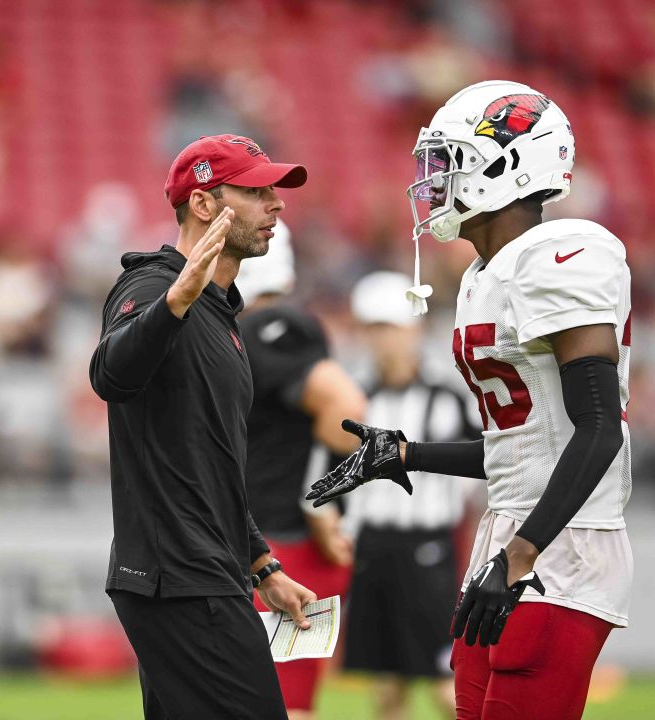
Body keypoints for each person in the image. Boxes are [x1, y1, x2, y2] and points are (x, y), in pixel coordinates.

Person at [308, 80, 633, 720]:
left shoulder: (560, 258)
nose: (435, 180)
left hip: (558, 544)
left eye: (448, 161)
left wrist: (523, 553)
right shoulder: (487, 274)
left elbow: (598, 430)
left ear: (506, 165)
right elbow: (522, 447)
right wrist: (406, 453)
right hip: (511, 531)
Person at [89, 134, 317, 719]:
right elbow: (110, 374)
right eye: (257, 191)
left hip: (201, 574)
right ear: (205, 204)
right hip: (181, 580)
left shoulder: (220, 312)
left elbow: (211, 464)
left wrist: (262, 564)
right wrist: (175, 298)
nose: (277, 205)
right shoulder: (152, 285)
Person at [237, 222, 368, 720]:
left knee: (283, 705)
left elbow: (345, 406)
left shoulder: (272, 325)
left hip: (283, 545)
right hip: (268, 542)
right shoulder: (256, 325)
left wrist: (319, 502)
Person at [341, 271, 483, 720]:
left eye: (392, 328)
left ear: (414, 330)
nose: (385, 341)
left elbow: (487, 459)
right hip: (370, 549)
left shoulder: (446, 397)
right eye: (374, 329)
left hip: (427, 548)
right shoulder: (353, 399)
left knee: (447, 683)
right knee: (386, 687)